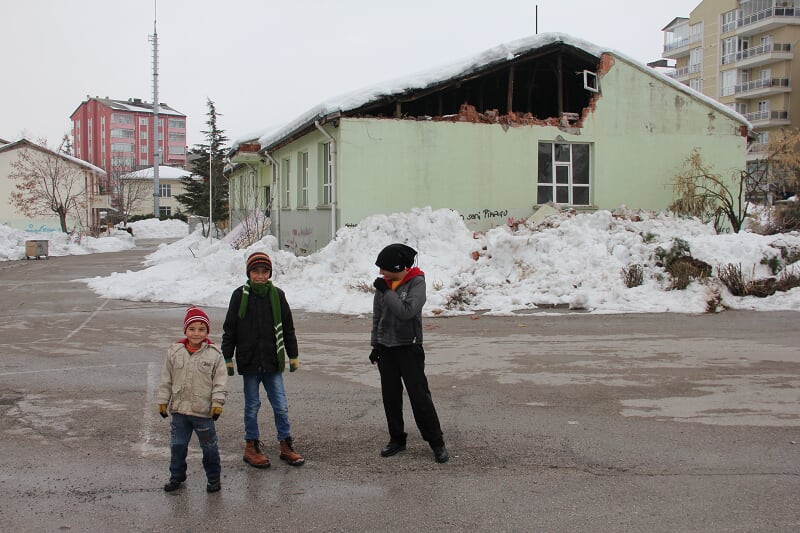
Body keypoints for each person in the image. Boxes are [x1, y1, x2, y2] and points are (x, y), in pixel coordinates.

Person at [221, 251, 305, 468]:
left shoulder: (277, 295)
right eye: (255, 271)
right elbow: (230, 328)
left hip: (272, 361)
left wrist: (292, 354)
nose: (259, 276)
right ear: (248, 273)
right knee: (252, 406)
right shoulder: (239, 296)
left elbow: (288, 328)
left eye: (264, 271)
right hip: (249, 362)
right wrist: (228, 356)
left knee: (281, 406)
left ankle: (286, 444)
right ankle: (251, 445)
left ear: (269, 273)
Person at [370, 243, 449, 463]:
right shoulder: (384, 284)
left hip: (409, 347)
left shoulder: (416, 283)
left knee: (419, 397)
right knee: (391, 397)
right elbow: (378, 316)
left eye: (384, 268)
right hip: (386, 348)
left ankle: (436, 442)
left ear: (397, 267)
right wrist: (375, 345)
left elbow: (406, 312)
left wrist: (387, 292)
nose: (380, 273)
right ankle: (397, 439)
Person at [157, 306, 228, 493]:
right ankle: (176, 475)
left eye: (201, 329)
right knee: (178, 445)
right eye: (192, 329)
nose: (196, 333)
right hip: (179, 410)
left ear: (207, 331)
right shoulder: (174, 352)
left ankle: (213, 477)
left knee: (209, 447)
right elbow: (166, 378)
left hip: (202, 411)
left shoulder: (214, 355)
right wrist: (163, 401)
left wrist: (217, 404)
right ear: (185, 330)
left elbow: (220, 382)